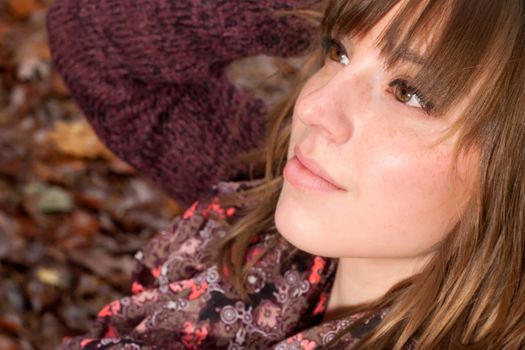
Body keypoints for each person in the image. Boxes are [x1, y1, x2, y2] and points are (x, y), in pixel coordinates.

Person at [45, 0, 525, 348]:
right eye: (337, 51)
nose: (314, 107)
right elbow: (92, 44)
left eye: (409, 93)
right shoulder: (266, 196)